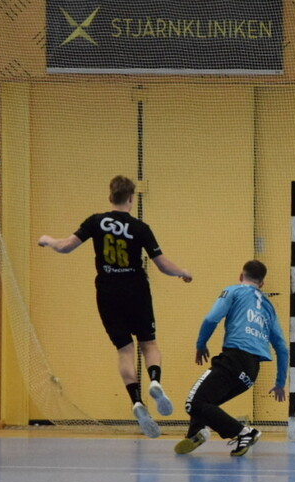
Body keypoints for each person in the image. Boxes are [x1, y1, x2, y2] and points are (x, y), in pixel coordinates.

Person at [38, 175, 192, 438]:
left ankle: (137, 401)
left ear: (110, 197)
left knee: (124, 350)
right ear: (131, 199)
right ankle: (155, 381)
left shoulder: (96, 221)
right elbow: (162, 264)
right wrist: (183, 272)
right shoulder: (140, 228)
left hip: (108, 293)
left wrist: (48, 240)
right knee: (149, 344)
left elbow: (65, 247)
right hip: (136, 290)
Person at [176, 259, 287, 457]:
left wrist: (201, 344)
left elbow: (211, 318)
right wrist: (280, 383)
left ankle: (244, 432)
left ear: (240, 276)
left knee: (193, 402)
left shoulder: (234, 291)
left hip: (234, 359)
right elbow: (282, 347)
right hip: (251, 371)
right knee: (207, 401)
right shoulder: (269, 307)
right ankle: (196, 432)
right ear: (262, 283)